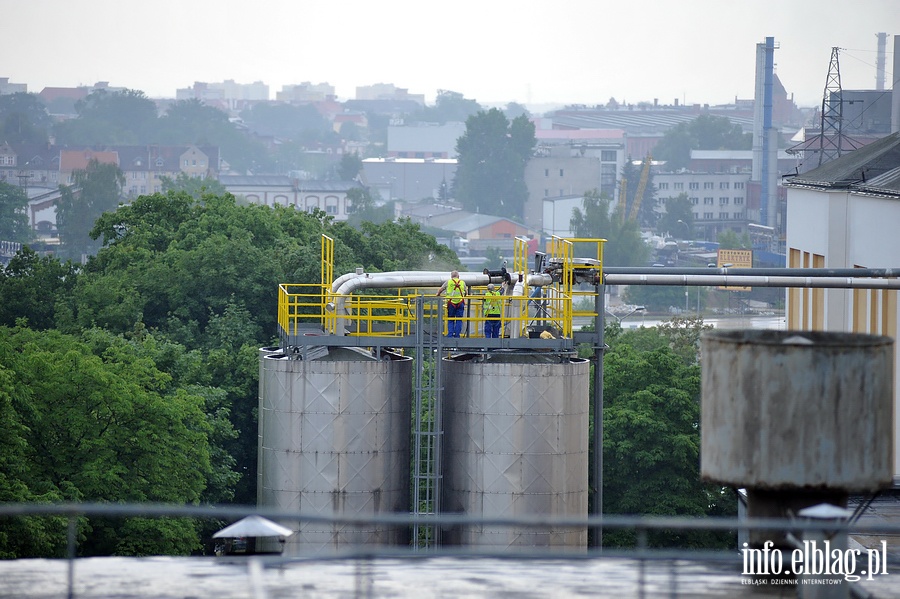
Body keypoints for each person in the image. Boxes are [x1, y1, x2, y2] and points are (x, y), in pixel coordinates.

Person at [437, 270, 467, 337]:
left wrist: (438, 294)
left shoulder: (448, 282)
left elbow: (440, 289)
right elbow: (466, 292)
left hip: (451, 303)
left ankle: (450, 335)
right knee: (459, 319)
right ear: (458, 276)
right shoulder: (462, 282)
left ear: (451, 276)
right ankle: (457, 335)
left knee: (451, 319)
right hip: (460, 303)